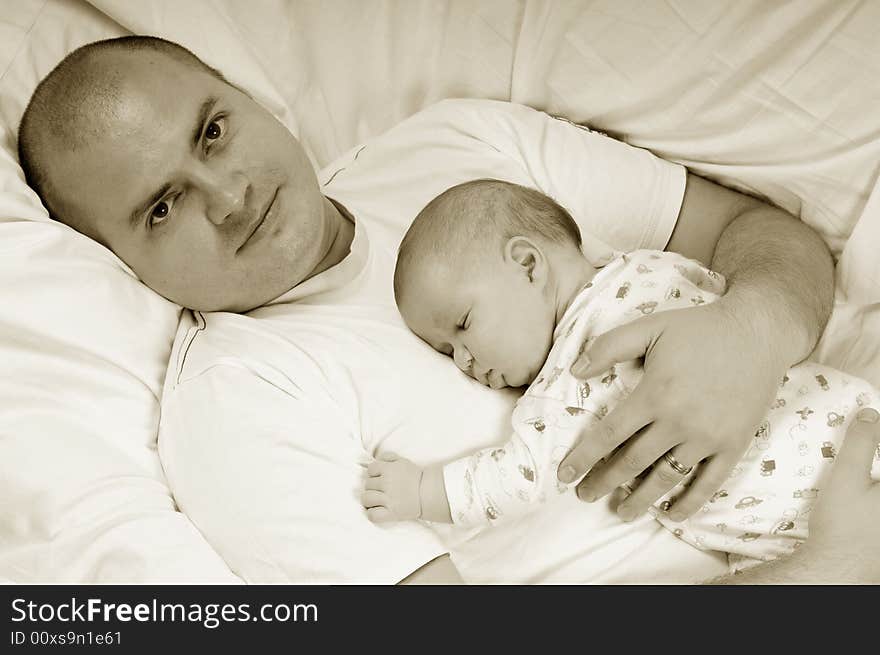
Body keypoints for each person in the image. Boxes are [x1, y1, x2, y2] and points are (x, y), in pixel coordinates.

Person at [15, 35, 879, 583]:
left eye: (211, 131)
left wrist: (750, 331)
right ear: (119, 263)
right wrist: (826, 575)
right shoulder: (237, 404)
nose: (228, 195)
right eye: (161, 207)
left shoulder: (456, 147)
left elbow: (755, 232)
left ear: (248, 99)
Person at [361, 178, 879, 573]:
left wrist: (426, 490)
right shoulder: (648, 268)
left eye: (463, 326)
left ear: (527, 264)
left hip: (805, 499)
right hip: (848, 421)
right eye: (447, 351)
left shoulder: (577, 367)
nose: (464, 361)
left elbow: (525, 475)